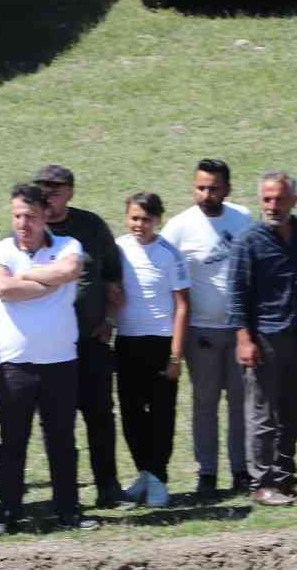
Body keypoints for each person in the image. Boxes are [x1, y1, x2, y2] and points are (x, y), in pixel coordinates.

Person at [0, 182, 93, 537]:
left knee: (61, 440)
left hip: (60, 361)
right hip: (15, 364)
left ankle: (68, 511)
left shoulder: (68, 246)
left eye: (29, 216)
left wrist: (26, 276)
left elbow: (66, 271)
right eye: (17, 215)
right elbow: (1, 288)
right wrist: (47, 282)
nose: (22, 223)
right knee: (12, 442)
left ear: (46, 215)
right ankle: (9, 513)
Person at [162, 158, 254, 496]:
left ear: (227, 189)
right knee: (205, 402)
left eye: (213, 188)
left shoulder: (243, 218)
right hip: (199, 332)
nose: (206, 194)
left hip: (239, 331)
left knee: (242, 402)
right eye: (200, 187)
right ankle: (208, 473)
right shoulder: (178, 227)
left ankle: (242, 471)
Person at [36, 163, 125, 507]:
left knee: (101, 415)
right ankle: (67, 495)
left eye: (55, 187)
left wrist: (110, 321)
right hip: (52, 346)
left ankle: (108, 488)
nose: (47, 192)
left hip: (93, 341)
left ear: (70, 191)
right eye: (42, 186)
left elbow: (114, 279)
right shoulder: (32, 229)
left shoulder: (91, 226)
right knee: (59, 423)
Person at [114, 192, 190, 509]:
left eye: (146, 219)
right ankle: (144, 473)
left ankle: (159, 478)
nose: (139, 225)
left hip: (160, 343)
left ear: (158, 220)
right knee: (131, 415)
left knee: (161, 416)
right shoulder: (118, 249)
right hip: (128, 342)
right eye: (134, 218)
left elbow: (183, 305)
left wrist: (175, 355)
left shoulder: (169, 254)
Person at [229, 171, 297, 507]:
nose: (273, 206)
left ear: (293, 200)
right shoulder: (248, 241)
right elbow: (237, 295)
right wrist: (244, 339)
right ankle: (262, 482)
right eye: (267, 199)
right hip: (264, 338)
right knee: (262, 413)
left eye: (280, 199)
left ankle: (286, 479)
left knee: (290, 412)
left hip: (294, 336)